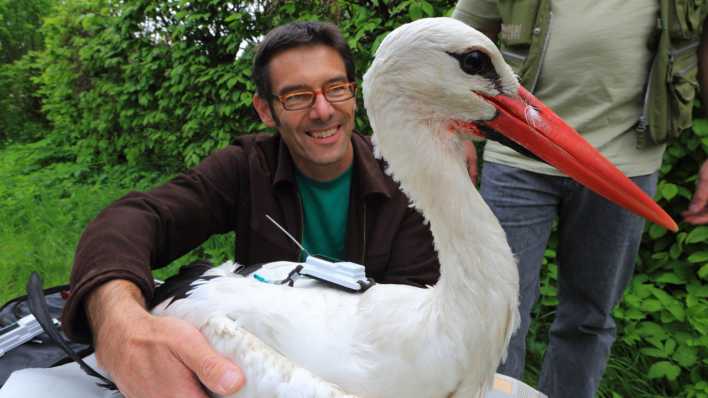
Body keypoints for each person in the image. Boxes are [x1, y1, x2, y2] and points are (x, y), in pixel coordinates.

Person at [60, 21, 439, 398]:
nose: (323, 111)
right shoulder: (246, 168)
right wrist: (118, 323)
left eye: (336, 89)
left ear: (354, 95)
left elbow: (423, 328)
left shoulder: (408, 179)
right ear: (266, 110)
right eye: (296, 96)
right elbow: (136, 218)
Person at [453, 2, 708, 397]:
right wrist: (456, 133)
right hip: (518, 156)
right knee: (499, 314)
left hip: (624, 165)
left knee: (589, 317)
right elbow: (459, 39)